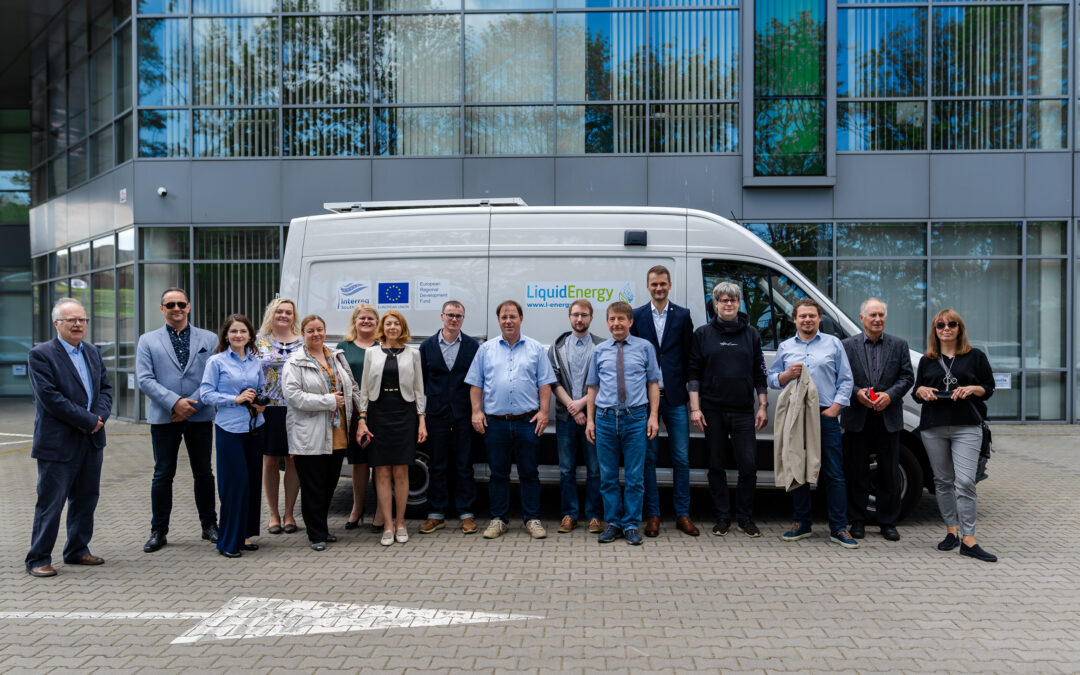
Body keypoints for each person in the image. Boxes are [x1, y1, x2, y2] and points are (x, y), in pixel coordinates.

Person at [25, 298, 112, 578]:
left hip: (91, 441)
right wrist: (89, 421)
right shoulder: (41, 355)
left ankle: (77, 550)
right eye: (71, 320)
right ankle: (38, 558)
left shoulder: (93, 352)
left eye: (82, 320)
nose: (77, 324)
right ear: (56, 324)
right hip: (58, 443)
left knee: (86, 499)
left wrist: (99, 417)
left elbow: (105, 389)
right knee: (51, 502)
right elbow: (51, 399)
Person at [768, 298, 857, 549]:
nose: (807, 320)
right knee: (797, 468)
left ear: (819, 319)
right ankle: (801, 523)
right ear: (795, 319)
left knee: (833, 472)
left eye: (812, 316)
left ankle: (839, 527)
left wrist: (836, 408)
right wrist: (785, 375)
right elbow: (772, 378)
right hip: (796, 416)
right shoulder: (785, 347)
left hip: (824, 415)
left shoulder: (834, 344)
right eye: (802, 316)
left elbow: (846, 379)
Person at [136, 287, 220, 554]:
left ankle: (210, 526)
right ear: (162, 309)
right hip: (165, 416)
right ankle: (158, 531)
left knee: (204, 472)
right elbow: (145, 379)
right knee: (163, 474)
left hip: (200, 414)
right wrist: (175, 402)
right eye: (170, 304)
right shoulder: (147, 341)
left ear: (189, 306)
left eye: (180, 304)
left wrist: (191, 404)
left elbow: (214, 375)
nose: (176, 308)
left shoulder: (209, 338)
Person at [465, 300, 557, 541]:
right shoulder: (486, 349)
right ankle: (499, 519)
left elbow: (545, 384)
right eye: (504, 317)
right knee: (498, 474)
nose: (508, 321)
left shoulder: (535, 348)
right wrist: (477, 412)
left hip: (527, 421)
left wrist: (544, 412)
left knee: (529, 473)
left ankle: (532, 519)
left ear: (521, 319)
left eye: (512, 316)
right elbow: (476, 384)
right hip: (495, 422)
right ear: (499, 320)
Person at [912, 309, 997, 563]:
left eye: (951, 324)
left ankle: (969, 539)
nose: (946, 328)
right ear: (935, 330)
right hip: (933, 426)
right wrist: (923, 391)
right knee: (942, 481)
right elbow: (917, 388)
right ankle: (951, 531)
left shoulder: (975, 356)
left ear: (960, 328)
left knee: (966, 482)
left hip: (967, 426)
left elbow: (989, 387)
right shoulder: (928, 359)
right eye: (940, 325)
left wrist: (973, 388)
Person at [687, 282, 768, 539]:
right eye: (724, 300)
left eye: (733, 300)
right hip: (712, 410)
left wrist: (763, 406)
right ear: (716, 304)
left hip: (744, 411)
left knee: (749, 465)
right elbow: (693, 374)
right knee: (716, 465)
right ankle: (722, 517)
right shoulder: (702, 334)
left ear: (739, 303)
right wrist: (695, 408)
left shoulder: (752, 335)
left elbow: (760, 374)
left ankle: (744, 517)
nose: (729, 304)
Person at [282, 315, 360, 552]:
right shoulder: (294, 362)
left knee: (328, 485)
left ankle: (323, 528)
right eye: (310, 331)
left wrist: (362, 412)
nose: (316, 334)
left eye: (320, 329)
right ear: (302, 334)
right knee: (313, 486)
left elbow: (352, 386)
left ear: (325, 331)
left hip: (336, 433)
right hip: (310, 434)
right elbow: (293, 396)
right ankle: (315, 534)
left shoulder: (337, 356)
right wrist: (328, 401)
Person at [585, 301, 661, 546]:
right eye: (612, 319)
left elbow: (653, 384)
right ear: (607, 322)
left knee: (635, 476)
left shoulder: (644, 347)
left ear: (630, 321)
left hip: (635, 418)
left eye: (621, 319)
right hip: (605, 418)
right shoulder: (599, 350)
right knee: (607, 476)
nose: (616, 324)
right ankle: (613, 523)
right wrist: (590, 420)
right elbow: (592, 387)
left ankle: (630, 524)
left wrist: (653, 416)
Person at [631, 265, 698, 537]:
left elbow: (690, 357)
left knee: (681, 458)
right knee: (649, 458)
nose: (658, 288)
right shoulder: (636, 316)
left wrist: (692, 398)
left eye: (663, 284)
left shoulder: (682, 316)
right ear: (647, 286)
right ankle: (653, 515)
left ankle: (683, 514)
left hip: (676, 398)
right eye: (654, 284)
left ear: (669, 285)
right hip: (646, 400)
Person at [841, 298, 914, 542]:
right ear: (862, 318)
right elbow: (841, 377)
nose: (877, 319)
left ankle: (888, 522)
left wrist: (890, 395)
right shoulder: (847, 346)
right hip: (857, 416)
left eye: (881, 315)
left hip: (887, 416)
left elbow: (906, 377)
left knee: (889, 472)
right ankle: (857, 520)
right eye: (872, 315)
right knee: (856, 471)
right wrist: (856, 393)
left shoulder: (899, 345)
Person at [356, 311, 427, 546]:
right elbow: (364, 388)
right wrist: (362, 418)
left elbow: (419, 390)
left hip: (404, 414)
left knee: (401, 471)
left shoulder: (413, 354)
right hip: (378, 413)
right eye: (389, 323)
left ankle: (400, 523)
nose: (393, 327)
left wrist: (421, 421)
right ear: (383, 328)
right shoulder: (371, 353)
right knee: (382, 471)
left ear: (402, 327)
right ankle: (387, 524)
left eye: (397, 323)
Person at [199, 314, 265, 559]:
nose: (239, 335)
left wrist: (259, 403)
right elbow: (206, 394)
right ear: (226, 335)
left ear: (250, 336)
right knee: (234, 484)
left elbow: (259, 389)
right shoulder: (216, 362)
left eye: (243, 331)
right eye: (234, 331)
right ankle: (227, 541)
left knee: (251, 483)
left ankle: (244, 535)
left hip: (255, 427)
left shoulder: (255, 362)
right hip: (230, 429)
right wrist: (234, 399)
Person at [418, 301, 480, 535]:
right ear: (442, 316)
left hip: (464, 415)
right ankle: (436, 514)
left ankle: (466, 514)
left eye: (459, 316)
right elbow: (421, 382)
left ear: (463, 319)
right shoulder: (427, 346)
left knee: (465, 465)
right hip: (437, 415)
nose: (454, 319)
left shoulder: (473, 346)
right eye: (451, 315)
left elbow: (478, 381)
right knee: (438, 465)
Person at [549, 299, 605, 534]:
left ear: (591, 318)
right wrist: (572, 407)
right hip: (565, 418)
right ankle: (569, 514)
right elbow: (554, 380)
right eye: (575, 315)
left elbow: (604, 381)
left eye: (584, 315)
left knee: (595, 469)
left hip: (593, 418)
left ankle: (594, 516)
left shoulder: (602, 346)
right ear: (569, 317)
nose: (579, 319)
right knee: (566, 469)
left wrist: (582, 405)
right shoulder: (557, 346)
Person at [255, 298, 302, 535]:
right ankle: (273, 515)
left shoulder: (302, 342)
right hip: (269, 409)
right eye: (279, 312)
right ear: (271, 314)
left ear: (294, 316)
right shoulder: (258, 342)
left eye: (288, 312)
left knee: (294, 459)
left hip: (296, 408)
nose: (283, 315)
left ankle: (290, 513)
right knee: (270, 461)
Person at [335, 303, 382, 531]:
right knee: (359, 462)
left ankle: (381, 512)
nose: (366, 321)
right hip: (354, 413)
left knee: (381, 462)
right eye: (362, 318)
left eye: (370, 319)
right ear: (355, 321)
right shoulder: (343, 347)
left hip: (380, 410)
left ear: (377, 322)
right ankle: (357, 507)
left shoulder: (383, 346)